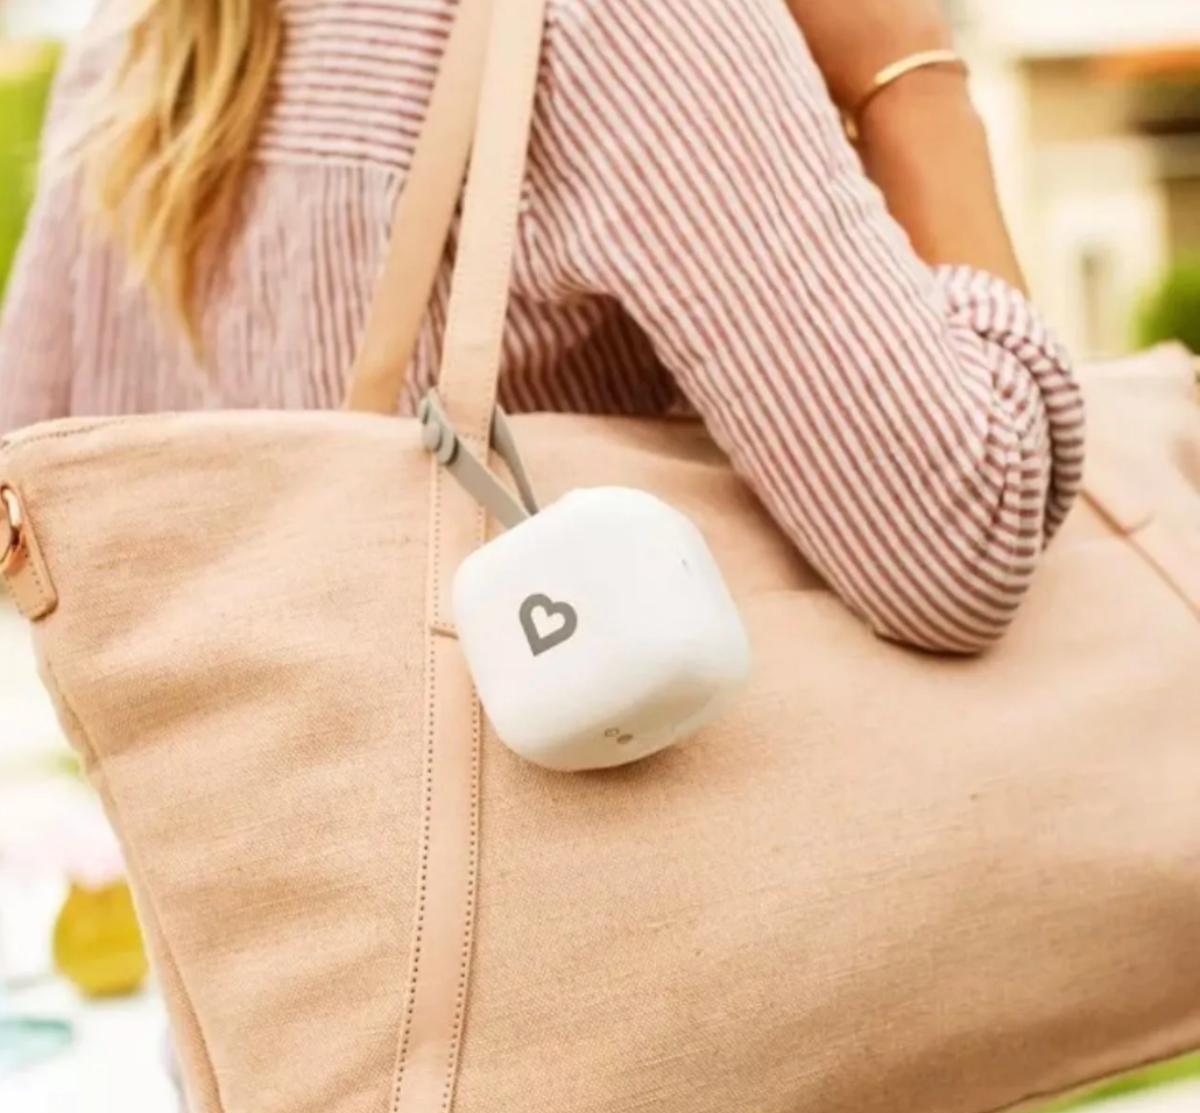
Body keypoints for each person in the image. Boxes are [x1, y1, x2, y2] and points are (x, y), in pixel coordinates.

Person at [0, 0, 1084, 654]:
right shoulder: (611, 19)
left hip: (281, 950)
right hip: (626, 944)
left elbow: (35, 495)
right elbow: (964, 545)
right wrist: (910, 76)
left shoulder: (133, 45)